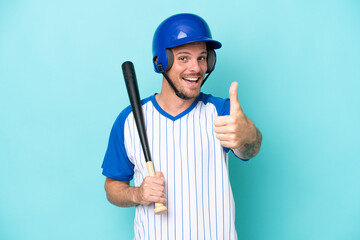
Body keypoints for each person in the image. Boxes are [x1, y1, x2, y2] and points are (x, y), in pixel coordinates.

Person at [102, 13, 262, 240]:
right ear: (162, 62)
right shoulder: (129, 120)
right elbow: (112, 187)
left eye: (202, 58)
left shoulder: (220, 111)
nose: (196, 68)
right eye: (184, 58)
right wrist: (138, 194)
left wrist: (249, 137)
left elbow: (250, 149)